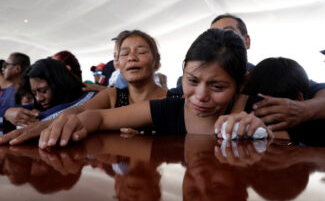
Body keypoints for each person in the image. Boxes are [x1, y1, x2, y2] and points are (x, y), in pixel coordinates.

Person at [35, 28, 272, 149]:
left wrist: (265, 136)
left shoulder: (261, 111)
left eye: (217, 86)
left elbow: (295, 149)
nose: (200, 96)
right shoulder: (171, 108)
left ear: (241, 84)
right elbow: (97, 117)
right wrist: (71, 124)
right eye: (191, 81)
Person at [0, 30, 181, 145]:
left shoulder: (175, 100)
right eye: (124, 54)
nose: (132, 57)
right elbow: (79, 111)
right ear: (118, 64)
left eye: (141, 52)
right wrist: (42, 127)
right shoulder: (113, 96)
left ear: (156, 61)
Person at [211, 13, 325, 131]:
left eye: (228, 32)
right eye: (213, 36)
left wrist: (303, 110)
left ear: (247, 41)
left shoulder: (268, 73)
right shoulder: (199, 84)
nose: (220, 41)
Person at [0, 58, 97, 127]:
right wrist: (7, 113)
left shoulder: (92, 99)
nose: (39, 98)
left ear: (60, 82)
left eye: (43, 91)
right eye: (34, 93)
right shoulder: (44, 105)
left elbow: (45, 118)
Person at [0, 53, 31, 124]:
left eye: (5, 65)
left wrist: (1, 113)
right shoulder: (10, 90)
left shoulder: (28, 92)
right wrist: (5, 113)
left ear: (17, 68)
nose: (2, 68)